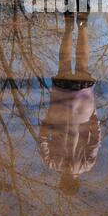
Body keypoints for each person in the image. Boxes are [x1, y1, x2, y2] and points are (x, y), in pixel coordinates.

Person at [38, 16, 101, 195]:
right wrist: (49, 117)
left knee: (83, 64)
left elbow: (95, 140)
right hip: (60, 103)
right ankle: (68, 28)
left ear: (77, 182)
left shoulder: (87, 165)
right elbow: (42, 138)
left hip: (83, 106)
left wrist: (94, 115)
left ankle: (81, 27)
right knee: (64, 65)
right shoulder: (52, 163)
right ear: (60, 182)